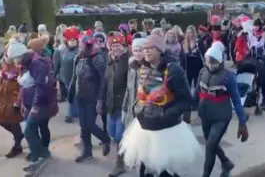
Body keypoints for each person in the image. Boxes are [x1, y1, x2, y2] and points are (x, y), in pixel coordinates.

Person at [119, 34, 201, 177]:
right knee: (145, 171)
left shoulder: (173, 69)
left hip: (166, 131)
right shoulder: (142, 67)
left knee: (165, 172)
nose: (147, 51)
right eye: (145, 48)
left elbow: (187, 101)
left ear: (161, 50)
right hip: (144, 129)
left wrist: (166, 114)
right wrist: (135, 109)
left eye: (151, 48)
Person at [196, 42, 249, 177]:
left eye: (213, 61)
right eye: (208, 60)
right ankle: (226, 162)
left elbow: (236, 100)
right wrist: (184, 110)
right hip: (205, 115)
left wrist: (242, 122)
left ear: (219, 61)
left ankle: (205, 175)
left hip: (221, 117)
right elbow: (195, 93)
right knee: (211, 144)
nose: (210, 64)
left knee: (210, 146)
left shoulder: (228, 77)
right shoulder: (202, 72)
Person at [8, 42, 57, 173]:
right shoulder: (25, 64)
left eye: (16, 58)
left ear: (22, 55)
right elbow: (24, 86)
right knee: (34, 130)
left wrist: (35, 106)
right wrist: (22, 103)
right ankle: (40, 154)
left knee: (29, 131)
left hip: (41, 105)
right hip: (29, 103)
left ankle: (38, 157)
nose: (15, 61)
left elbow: (40, 88)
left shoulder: (37, 64)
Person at [68, 34, 111, 163]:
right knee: (83, 126)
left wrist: (100, 99)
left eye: (81, 42)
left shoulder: (97, 58)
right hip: (80, 96)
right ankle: (87, 152)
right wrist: (71, 91)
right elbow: (74, 77)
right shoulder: (78, 57)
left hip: (92, 97)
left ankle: (105, 139)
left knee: (90, 125)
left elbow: (104, 80)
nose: (80, 44)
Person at [0, 41, 25, 158]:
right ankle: (19, 135)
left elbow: (23, 84)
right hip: (4, 95)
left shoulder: (20, 64)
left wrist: (19, 101)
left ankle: (17, 145)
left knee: (13, 121)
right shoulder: (4, 62)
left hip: (14, 95)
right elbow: (1, 78)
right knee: (2, 120)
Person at [103, 33, 130, 177]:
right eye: (113, 46)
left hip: (122, 104)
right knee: (112, 133)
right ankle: (127, 154)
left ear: (124, 46)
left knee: (119, 136)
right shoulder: (111, 61)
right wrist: (101, 101)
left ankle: (120, 165)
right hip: (110, 103)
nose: (115, 48)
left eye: (118, 45)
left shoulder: (128, 60)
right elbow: (106, 82)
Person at [54, 26, 80, 120]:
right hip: (66, 78)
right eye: (70, 40)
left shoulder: (80, 51)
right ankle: (73, 113)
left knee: (74, 96)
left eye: (74, 40)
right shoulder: (62, 51)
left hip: (77, 78)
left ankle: (72, 114)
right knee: (71, 96)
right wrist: (55, 76)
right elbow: (57, 64)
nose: (72, 41)